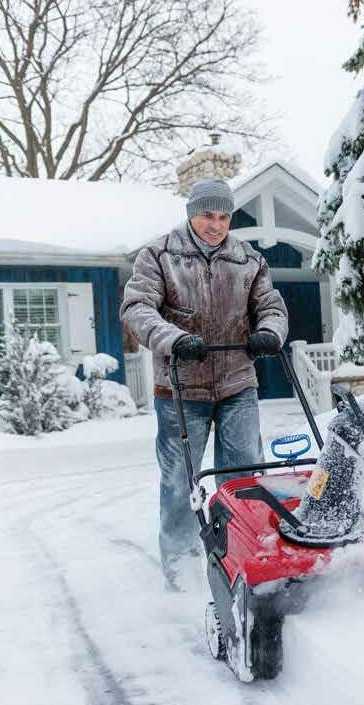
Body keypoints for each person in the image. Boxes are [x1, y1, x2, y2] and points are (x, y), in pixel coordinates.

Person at [120, 178, 288, 590]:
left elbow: (271, 306)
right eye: (207, 215)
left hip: (237, 383)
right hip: (180, 388)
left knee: (244, 478)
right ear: (191, 214)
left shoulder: (248, 259)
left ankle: (245, 558)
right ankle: (181, 575)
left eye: (224, 216)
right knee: (180, 483)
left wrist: (270, 332)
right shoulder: (159, 255)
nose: (216, 225)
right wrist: (174, 339)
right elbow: (137, 308)